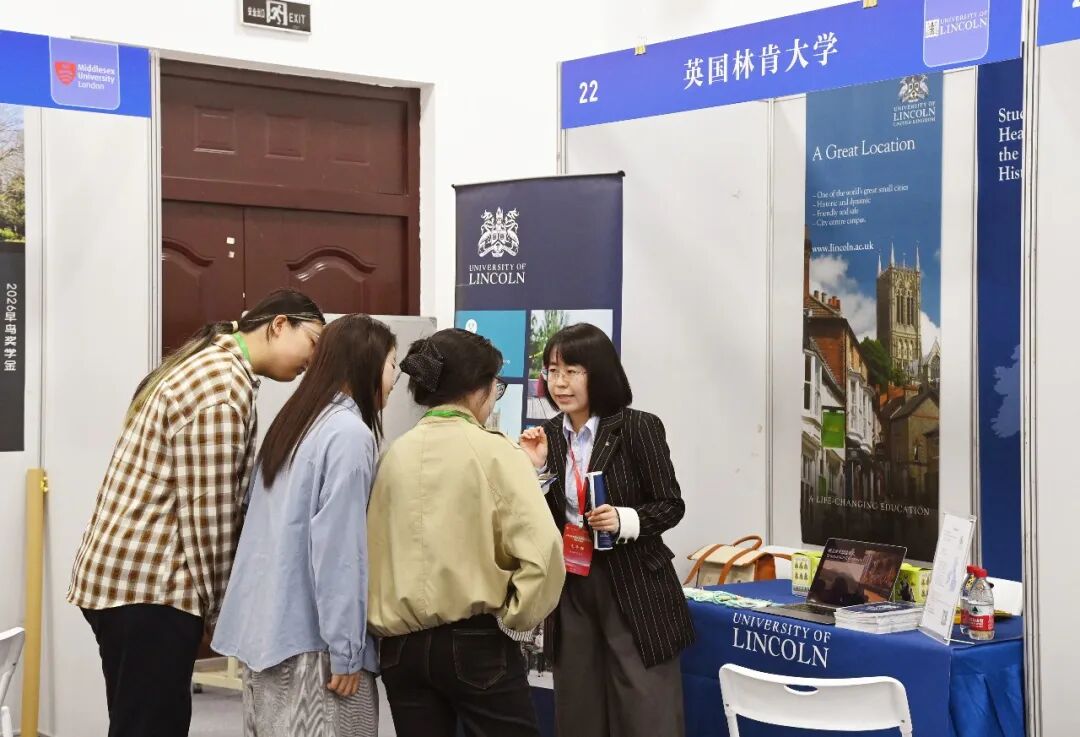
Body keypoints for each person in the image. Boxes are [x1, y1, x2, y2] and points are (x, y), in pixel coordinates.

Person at [68, 289, 325, 737]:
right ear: (279, 325)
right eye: (313, 343)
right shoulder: (221, 388)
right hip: (151, 587)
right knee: (151, 726)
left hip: (130, 582)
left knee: (138, 720)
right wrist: (226, 614)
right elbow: (209, 518)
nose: (314, 361)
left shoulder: (214, 368)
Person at [367, 328, 565, 737]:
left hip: (399, 647)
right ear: (479, 388)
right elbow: (544, 551)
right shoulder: (495, 450)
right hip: (475, 641)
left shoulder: (394, 454)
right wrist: (517, 618)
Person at [211, 314, 397, 737]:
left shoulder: (294, 422)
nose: (394, 380)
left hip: (265, 637)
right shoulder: (349, 434)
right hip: (314, 647)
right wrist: (346, 649)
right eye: (392, 366)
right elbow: (339, 552)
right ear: (367, 364)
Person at [519, 322, 695, 737]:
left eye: (572, 371)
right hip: (573, 583)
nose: (560, 383)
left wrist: (624, 520)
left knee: (645, 709)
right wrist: (537, 470)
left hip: (633, 584)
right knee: (577, 707)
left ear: (598, 373)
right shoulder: (548, 435)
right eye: (552, 371)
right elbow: (543, 521)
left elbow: (671, 505)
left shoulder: (637, 427)